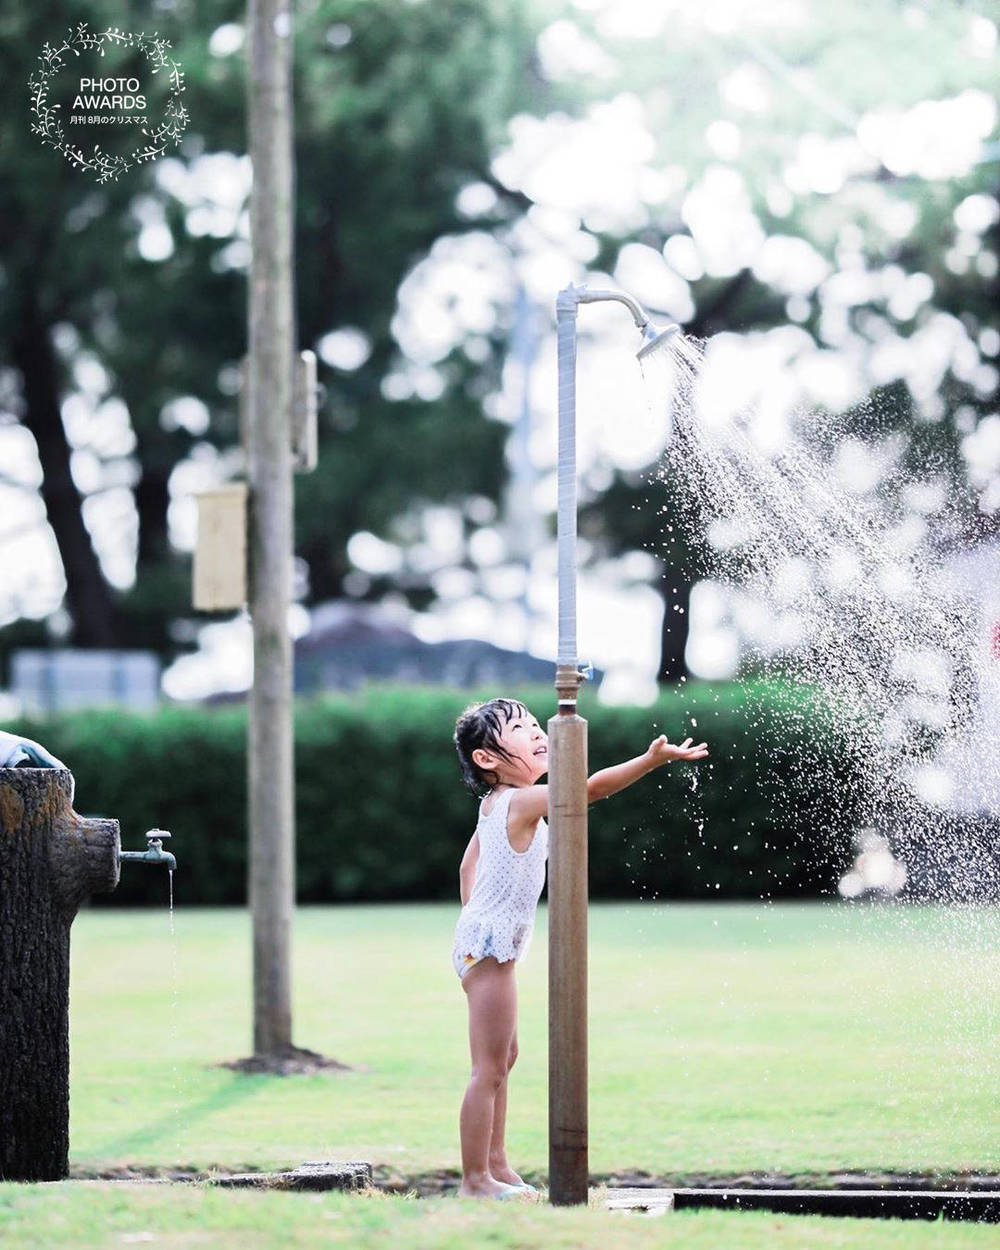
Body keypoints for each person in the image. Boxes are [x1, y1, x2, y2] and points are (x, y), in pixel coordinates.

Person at [451, 697, 709, 1199]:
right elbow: (585, 790)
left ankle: (497, 1165)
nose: (536, 732)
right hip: (488, 949)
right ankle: (474, 1180)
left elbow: (468, 867)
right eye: (521, 729)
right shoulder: (519, 801)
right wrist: (650, 761)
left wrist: (476, 924)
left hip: (485, 944)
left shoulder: (498, 805)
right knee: (488, 1067)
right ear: (488, 759)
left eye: (532, 724)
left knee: (505, 1056)